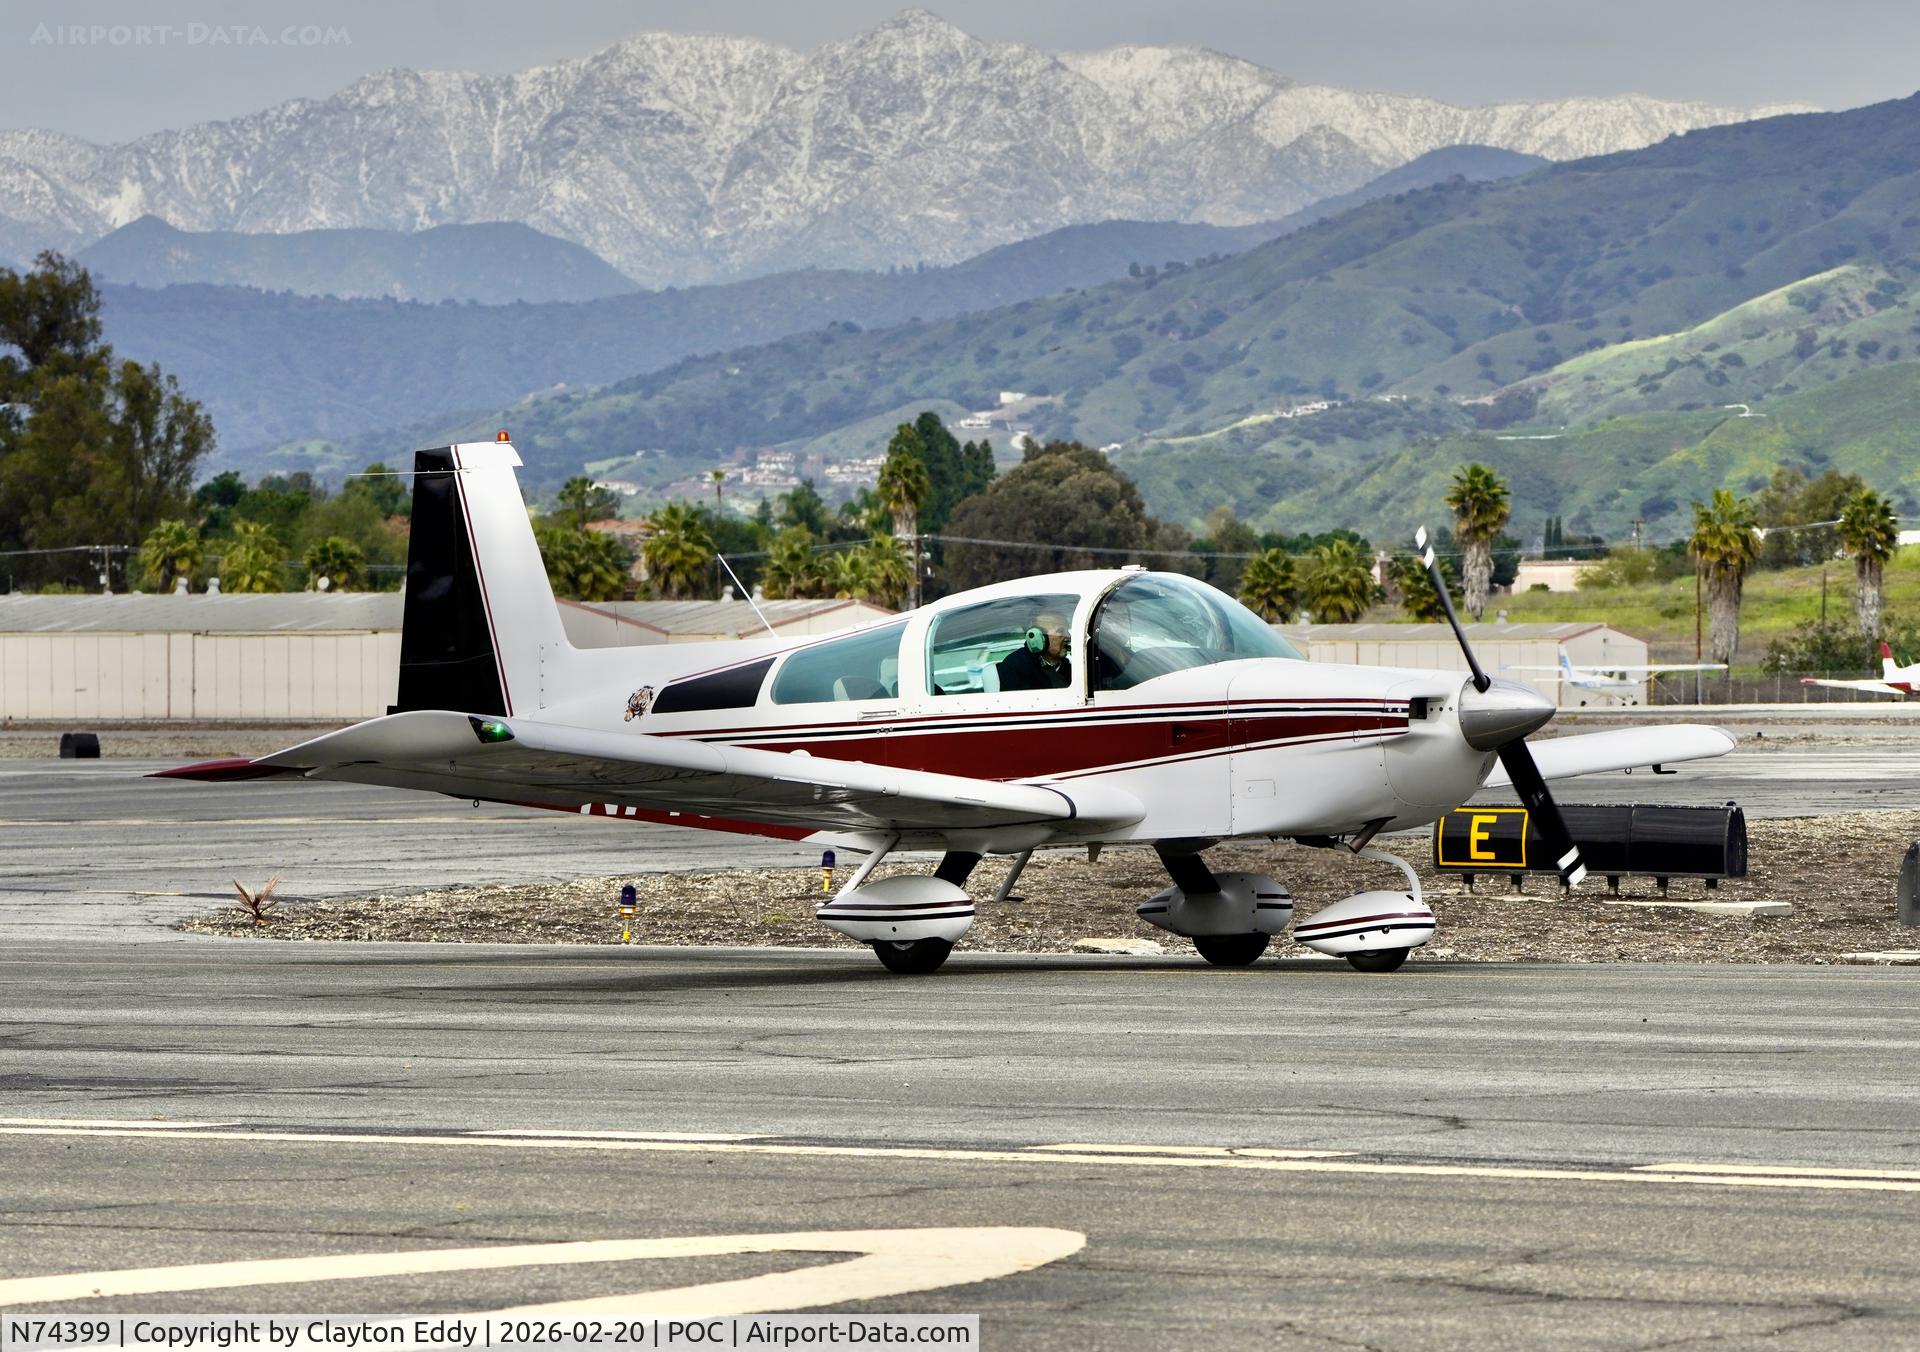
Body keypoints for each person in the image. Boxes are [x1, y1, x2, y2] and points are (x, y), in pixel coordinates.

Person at [996, 610, 1072, 691]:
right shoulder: (1016, 667)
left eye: (1067, 630)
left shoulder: (1065, 666)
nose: (1068, 636)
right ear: (1039, 637)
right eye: (1060, 631)